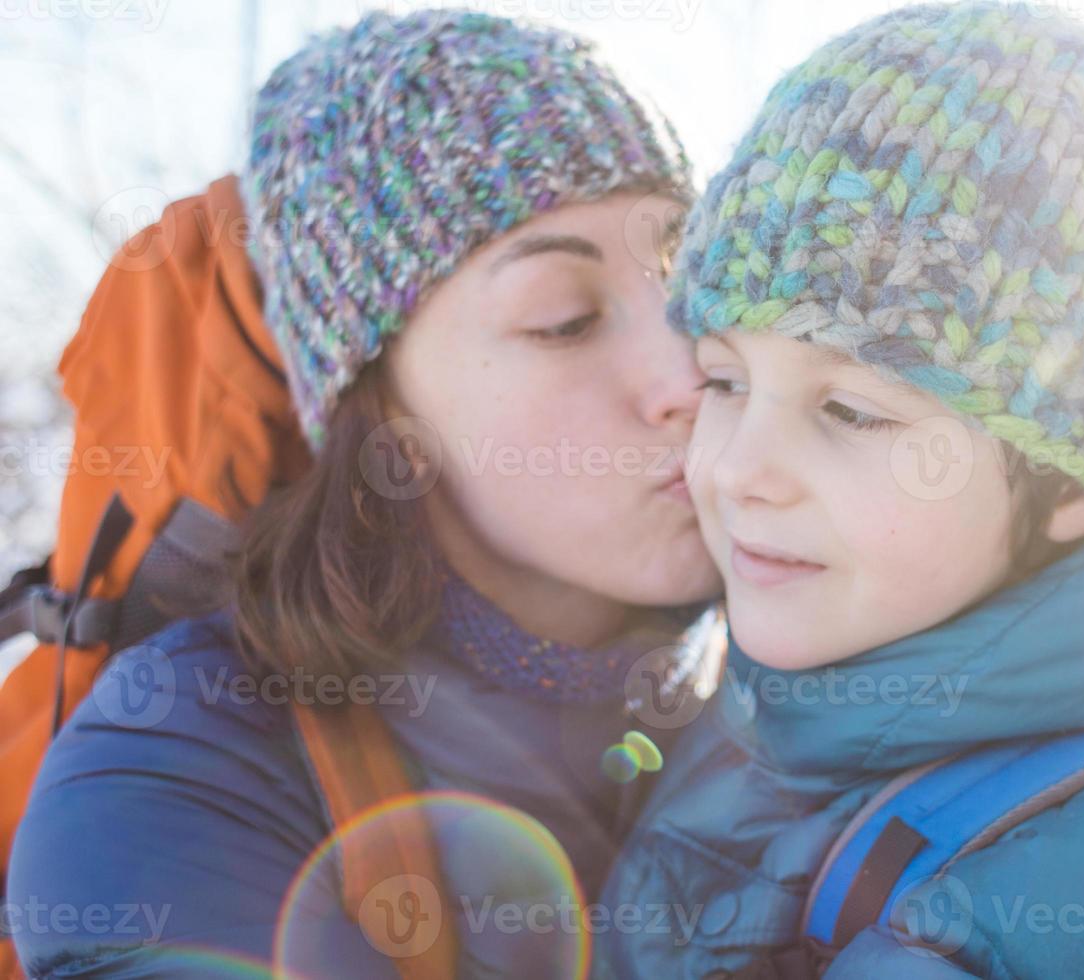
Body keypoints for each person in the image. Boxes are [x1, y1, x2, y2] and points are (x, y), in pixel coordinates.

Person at [595, 4, 1084, 976]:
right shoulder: (800, 680)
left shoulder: (1079, 889)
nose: (737, 466)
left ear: (1073, 479)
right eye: (724, 380)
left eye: (853, 411)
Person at [8, 11, 720, 977]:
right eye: (564, 320)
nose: (689, 371)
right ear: (380, 416)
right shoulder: (180, 764)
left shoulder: (816, 695)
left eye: (696, 283)